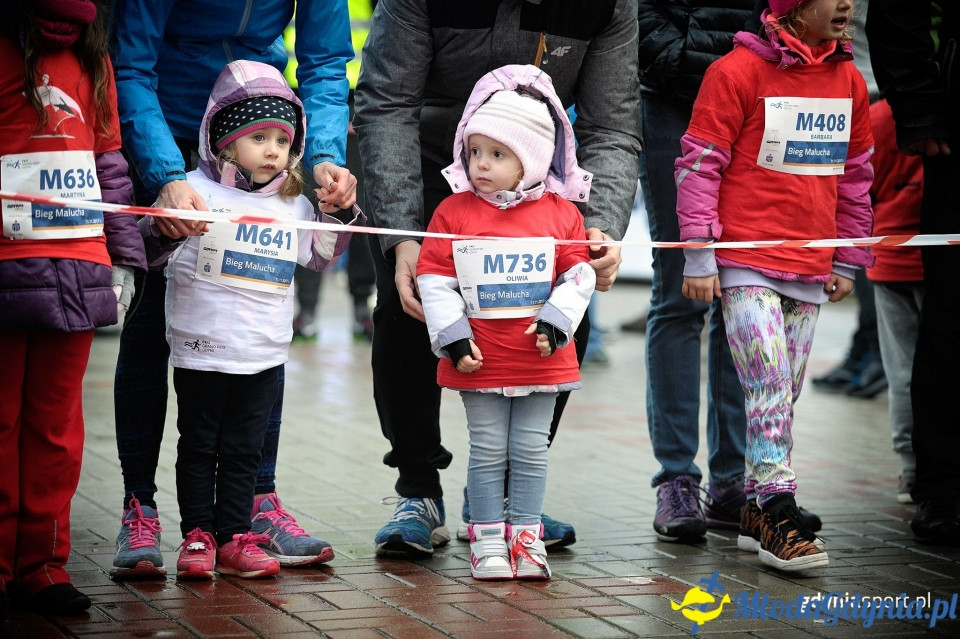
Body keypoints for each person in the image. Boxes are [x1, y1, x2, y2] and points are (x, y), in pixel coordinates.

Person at [354, 0, 642, 558]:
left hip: (540, 173)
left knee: (561, 316)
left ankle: (508, 491)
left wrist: (600, 227)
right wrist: (403, 237)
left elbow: (612, 123)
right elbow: (388, 103)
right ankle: (417, 490)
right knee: (405, 308)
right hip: (433, 161)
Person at [109, 0, 357, 578]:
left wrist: (321, 157)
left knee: (256, 317)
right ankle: (139, 508)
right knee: (149, 329)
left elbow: (325, 62)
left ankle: (256, 502)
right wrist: (164, 174)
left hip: (262, 123)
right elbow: (132, 63)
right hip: (168, 128)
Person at [675, 0, 873, 570]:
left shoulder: (850, 79)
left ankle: (760, 501)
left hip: (809, 266)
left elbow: (857, 173)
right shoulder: (735, 71)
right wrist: (699, 256)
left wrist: (848, 256)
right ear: (792, 8)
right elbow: (699, 162)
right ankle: (777, 507)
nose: (845, 5)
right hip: (745, 262)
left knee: (784, 395)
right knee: (767, 384)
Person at [418, 66, 596, 580]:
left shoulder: (563, 215)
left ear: (532, 158)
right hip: (481, 359)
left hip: (542, 358)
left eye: (497, 154)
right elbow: (434, 279)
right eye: (474, 152)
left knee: (530, 450)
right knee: (489, 448)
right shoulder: (452, 213)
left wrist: (556, 324)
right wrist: (453, 340)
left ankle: (527, 538)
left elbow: (579, 274)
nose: (480, 165)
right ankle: (488, 540)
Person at [0, 0, 146, 614]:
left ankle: (42, 565)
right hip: (13, 264)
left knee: (57, 429)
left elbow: (107, 164)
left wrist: (125, 257)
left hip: (77, 268)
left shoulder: (96, 58)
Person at [867, 0, 960, 545]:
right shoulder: (887, 119)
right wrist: (923, 111)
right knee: (933, 344)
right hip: (895, 266)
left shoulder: (876, 116)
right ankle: (932, 482)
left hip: (888, 264)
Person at [864, 97, 923, 504]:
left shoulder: (879, 115)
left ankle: (910, 469)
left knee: (901, 367)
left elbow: (863, 187)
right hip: (935, 257)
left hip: (887, 256)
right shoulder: (943, 110)